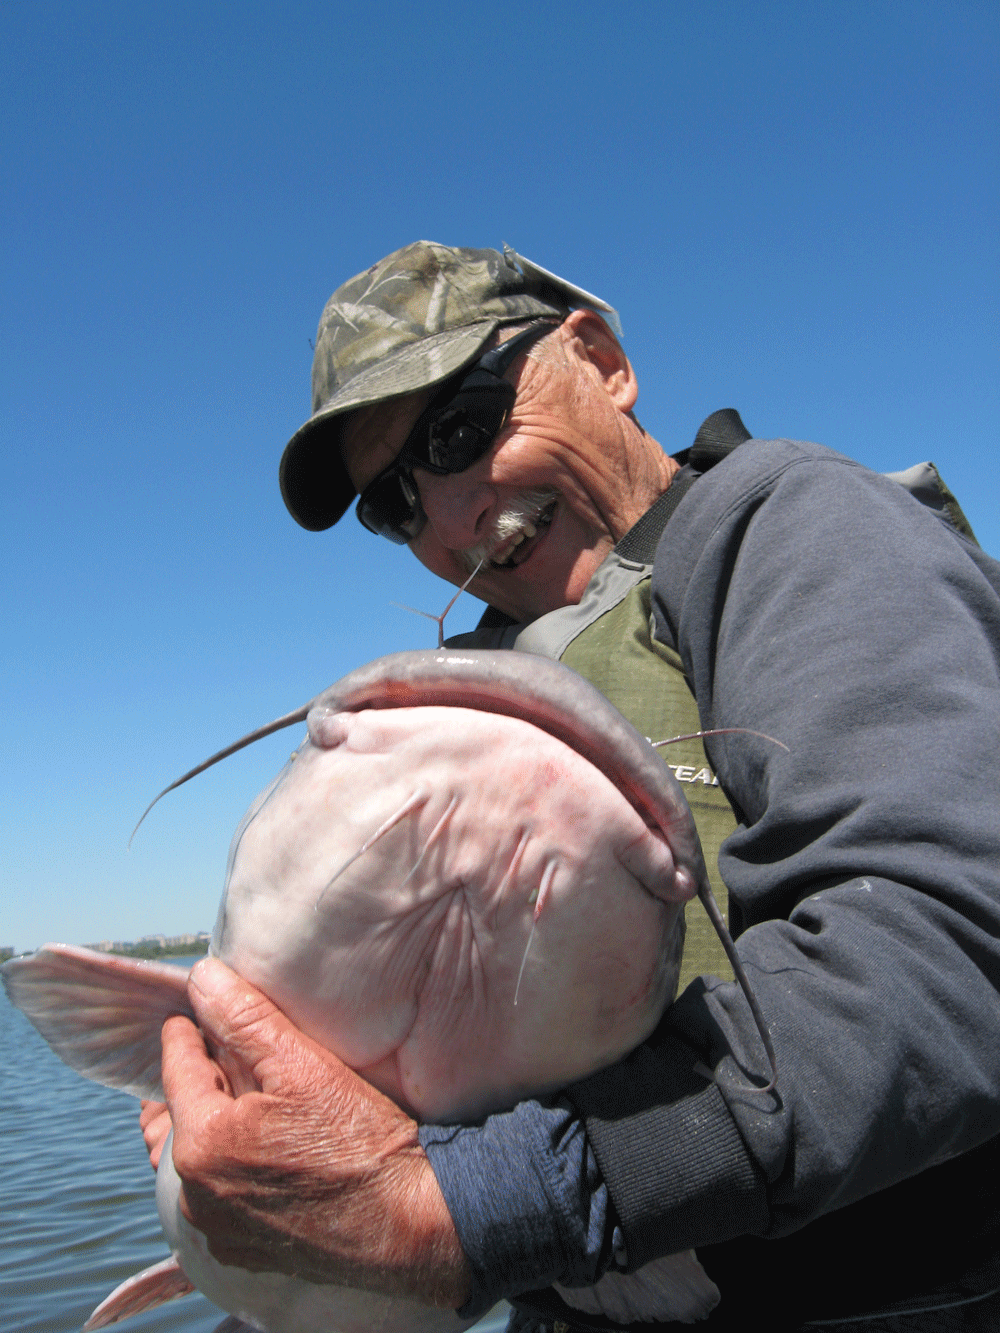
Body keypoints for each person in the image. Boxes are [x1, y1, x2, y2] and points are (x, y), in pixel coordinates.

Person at [141, 242, 1000, 1331]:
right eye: (394, 504)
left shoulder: (792, 527)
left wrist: (482, 1203)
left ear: (598, 360)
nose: (451, 520)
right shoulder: (489, 685)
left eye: (459, 431)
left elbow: (951, 935)